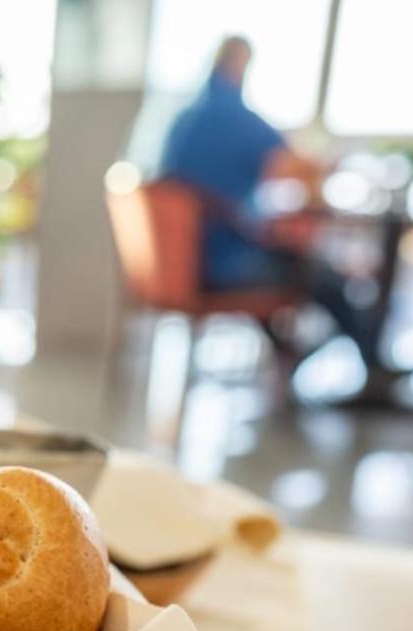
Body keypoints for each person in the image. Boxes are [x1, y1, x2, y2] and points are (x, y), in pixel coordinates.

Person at [159, 37, 380, 388]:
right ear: (240, 66)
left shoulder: (181, 119)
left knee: (294, 263)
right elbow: (299, 165)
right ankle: (372, 366)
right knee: (318, 272)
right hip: (221, 262)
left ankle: (292, 356)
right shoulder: (236, 117)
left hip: (173, 265)